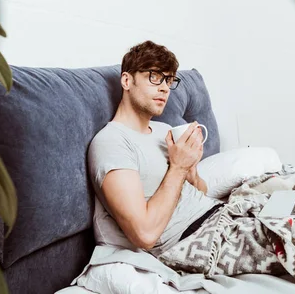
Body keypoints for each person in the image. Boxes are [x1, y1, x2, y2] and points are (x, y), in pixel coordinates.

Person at [88, 40, 223, 257]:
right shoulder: (111, 142)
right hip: (198, 239)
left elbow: (200, 193)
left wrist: (191, 168)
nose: (164, 88)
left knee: (290, 208)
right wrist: (177, 168)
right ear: (126, 80)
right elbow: (145, 234)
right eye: (154, 76)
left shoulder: (164, 130)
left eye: (169, 80)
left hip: (220, 215)